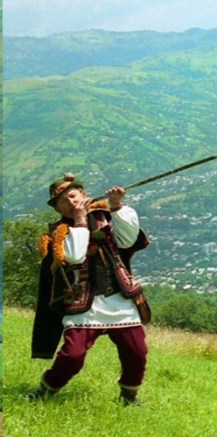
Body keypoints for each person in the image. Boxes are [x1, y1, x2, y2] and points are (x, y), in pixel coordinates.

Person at [27, 173, 150, 406]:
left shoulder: (106, 217)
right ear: (58, 209)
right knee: (72, 356)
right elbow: (74, 255)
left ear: (83, 194)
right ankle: (46, 387)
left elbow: (128, 240)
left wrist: (116, 205)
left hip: (119, 297)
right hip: (83, 302)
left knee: (136, 351)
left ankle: (129, 396)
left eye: (73, 196)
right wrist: (81, 220)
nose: (71, 202)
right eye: (64, 201)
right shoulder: (58, 232)